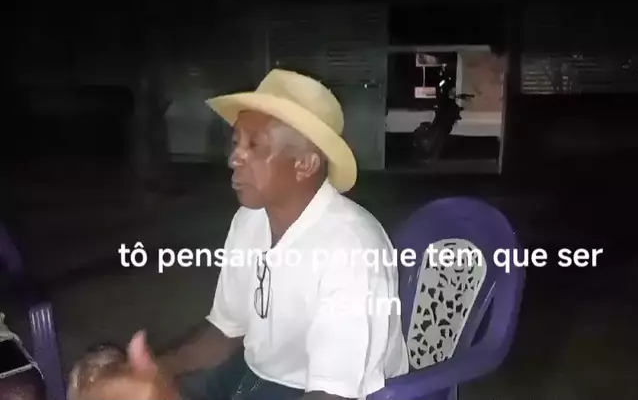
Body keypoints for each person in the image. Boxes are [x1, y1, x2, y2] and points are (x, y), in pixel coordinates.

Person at [85, 69, 409, 400]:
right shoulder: (250, 220)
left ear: (305, 164)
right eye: (236, 142)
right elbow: (225, 332)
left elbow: (332, 394)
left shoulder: (351, 250)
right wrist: (157, 370)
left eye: (254, 145)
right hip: (259, 372)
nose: (234, 158)